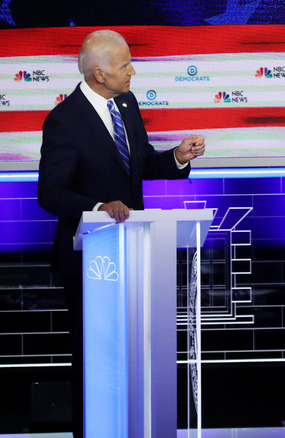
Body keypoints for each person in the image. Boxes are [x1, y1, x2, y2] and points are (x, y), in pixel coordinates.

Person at [37, 29, 205, 438]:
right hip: (90, 258)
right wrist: (97, 210)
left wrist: (177, 158)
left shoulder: (126, 104)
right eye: (124, 65)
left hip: (137, 252)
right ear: (99, 73)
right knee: (95, 357)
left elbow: (139, 162)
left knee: (137, 354)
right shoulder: (64, 120)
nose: (132, 71)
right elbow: (50, 192)